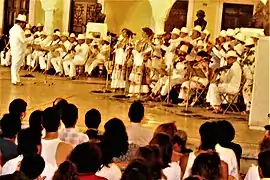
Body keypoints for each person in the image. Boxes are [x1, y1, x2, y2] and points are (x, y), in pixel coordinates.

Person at [9, 14, 27, 85]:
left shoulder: (12, 29)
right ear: (21, 22)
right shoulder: (19, 30)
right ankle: (15, 81)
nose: (24, 25)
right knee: (15, 66)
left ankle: (16, 80)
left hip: (15, 49)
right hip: (18, 49)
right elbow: (23, 40)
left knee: (15, 66)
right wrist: (32, 38)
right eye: (24, 23)